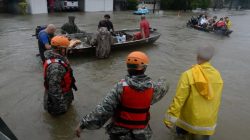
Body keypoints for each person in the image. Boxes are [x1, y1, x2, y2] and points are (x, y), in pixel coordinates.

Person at [75, 51, 169, 140]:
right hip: (142, 134)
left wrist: (83, 125)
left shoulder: (120, 87)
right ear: (144, 68)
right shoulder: (154, 88)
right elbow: (165, 85)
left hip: (119, 134)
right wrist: (162, 79)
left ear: (128, 68)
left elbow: (103, 110)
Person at [164, 45, 224, 140]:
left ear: (197, 56)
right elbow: (216, 100)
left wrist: (170, 119)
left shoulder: (188, 74)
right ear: (210, 58)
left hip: (187, 121)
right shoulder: (218, 75)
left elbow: (179, 99)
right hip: (207, 123)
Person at [43, 35, 78, 115]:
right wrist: (62, 107)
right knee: (61, 118)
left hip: (65, 93)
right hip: (58, 100)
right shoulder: (56, 67)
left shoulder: (55, 56)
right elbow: (54, 90)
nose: (67, 50)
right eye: (66, 48)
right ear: (61, 49)